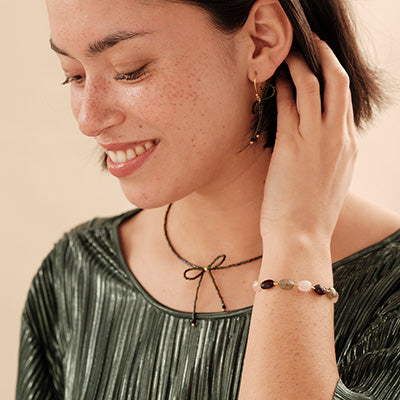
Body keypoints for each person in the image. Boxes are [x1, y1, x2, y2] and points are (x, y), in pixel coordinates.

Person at [16, 0, 400, 399]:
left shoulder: (389, 299)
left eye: (129, 70)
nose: (88, 120)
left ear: (261, 41)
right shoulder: (74, 275)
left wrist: (297, 241)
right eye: (74, 75)